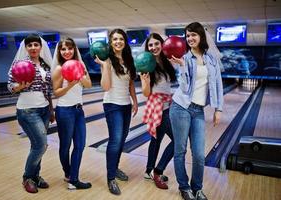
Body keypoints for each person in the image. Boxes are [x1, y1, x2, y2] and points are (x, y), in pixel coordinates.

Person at [169, 22, 224, 200]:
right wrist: (182, 67)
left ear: (201, 36)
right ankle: (184, 188)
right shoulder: (185, 58)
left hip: (198, 110)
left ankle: (197, 188)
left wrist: (218, 109)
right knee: (180, 150)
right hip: (181, 108)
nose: (190, 38)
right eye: (187, 35)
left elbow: (218, 84)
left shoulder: (212, 59)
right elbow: (184, 88)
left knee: (199, 154)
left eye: (193, 34)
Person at [7, 34, 55, 193]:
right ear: (26, 48)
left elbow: (48, 89)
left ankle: (35, 176)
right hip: (27, 110)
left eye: (36, 44)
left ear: (40, 47)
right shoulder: (19, 64)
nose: (33, 47)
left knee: (37, 145)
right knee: (41, 145)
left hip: (44, 109)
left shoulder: (46, 65)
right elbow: (10, 86)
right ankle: (27, 177)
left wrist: (51, 109)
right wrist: (20, 86)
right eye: (30, 45)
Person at [94, 28, 138, 195]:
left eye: (121, 39)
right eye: (115, 39)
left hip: (125, 104)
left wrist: (135, 101)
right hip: (112, 104)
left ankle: (115, 167)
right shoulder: (107, 60)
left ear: (125, 42)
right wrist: (105, 66)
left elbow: (131, 83)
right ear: (110, 42)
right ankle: (110, 177)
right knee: (115, 139)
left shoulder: (128, 59)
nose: (118, 42)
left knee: (122, 140)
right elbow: (105, 87)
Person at [52, 37, 92, 190]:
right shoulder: (58, 69)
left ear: (74, 49)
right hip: (64, 111)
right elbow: (56, 93)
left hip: (78, 110)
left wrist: (80, 76)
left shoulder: (80, 64)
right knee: (65, 146)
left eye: (70, 48)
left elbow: (88, 85)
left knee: (80, 145)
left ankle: (73, 179)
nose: (67, 52)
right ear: (59, 52)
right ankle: (68, 174)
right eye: (63, 49)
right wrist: (70, 85)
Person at [140, 33, 176, 190]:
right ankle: (158, 170)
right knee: (178, 141)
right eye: (150, 45)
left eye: (156, 44)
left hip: (168, 106)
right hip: (157, 108)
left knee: (156, 140)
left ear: (162, 45)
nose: (153, 47)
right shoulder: (146, 64)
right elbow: (146, 93)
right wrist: (146, 82)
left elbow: (167, 86)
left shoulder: (168, 62)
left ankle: (148, 171)